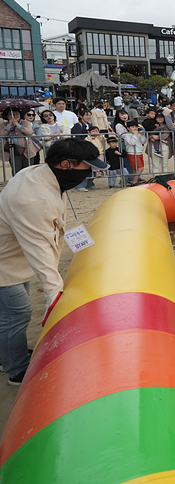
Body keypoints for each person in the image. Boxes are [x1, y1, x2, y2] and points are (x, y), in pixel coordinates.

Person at [0, 138, 109, 385]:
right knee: (16, 313)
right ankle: (16, 370)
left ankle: (8, 352)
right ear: (66, 165)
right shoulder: (34, 199)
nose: (90, 171)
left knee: (9, 314)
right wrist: (55, 298)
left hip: (15, 257)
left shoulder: (41, 175)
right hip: (5, 262)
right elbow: (40, 251)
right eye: (87, 166)